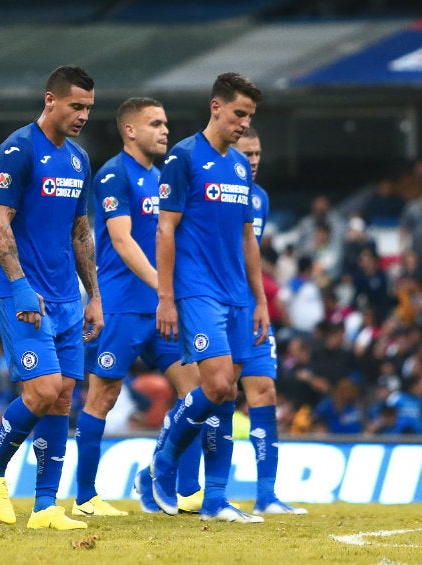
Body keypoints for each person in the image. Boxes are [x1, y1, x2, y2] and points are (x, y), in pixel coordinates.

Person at [0, 65, 102, 531]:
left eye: (88, 107)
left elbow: (80, 231)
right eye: (76, 106)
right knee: (42, 391)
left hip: (68, 296)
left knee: (62, 398)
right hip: (24, 294)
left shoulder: (79, 160)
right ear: (50, 100)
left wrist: (94, 296)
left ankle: (46, 507)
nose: (83, 115)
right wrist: (21, 283)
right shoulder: (19, 148)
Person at [73, 97, 202, 517]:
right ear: (130, 130)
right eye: (155, 124)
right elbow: (124, 242)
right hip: (122, 306)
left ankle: (181, 489)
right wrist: (164, 289)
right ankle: (87, 497)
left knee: (197, 392)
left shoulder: (163, 177)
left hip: (162, 307)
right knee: (102, 398)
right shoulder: (113, 174)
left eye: (166, 123)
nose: (165, 131)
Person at [152, 72, 268, 523]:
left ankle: (216, 500)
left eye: (250, 116)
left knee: (226, 395)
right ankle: (164, 460)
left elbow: (248, 240)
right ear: (215, 107)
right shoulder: (183, 156)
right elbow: (166, 229)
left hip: (238, 292)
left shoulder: (239, 166)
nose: (244, 123)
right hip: (198, 289)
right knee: (216, 384)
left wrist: (259, 300)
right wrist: (166, 296)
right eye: (239, 113)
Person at [231, 127, 307, 515]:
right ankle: (166, 472)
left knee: (265, 393)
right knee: (214, 397)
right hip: (217, 308)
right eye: (247, 153)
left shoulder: (259, 198)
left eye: (258, 153)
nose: (254, 160)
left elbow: (254, 259)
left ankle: (266, 494)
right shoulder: (211, 193)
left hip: (252, 311)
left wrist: (262, 302)